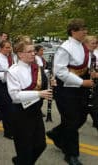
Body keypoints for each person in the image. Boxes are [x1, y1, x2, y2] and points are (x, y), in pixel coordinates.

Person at [46, 18, 93, 165]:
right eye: (82, 29)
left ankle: (56, 134)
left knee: (81, 118)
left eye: (86, 29)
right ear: (73, 31)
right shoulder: (65, 48)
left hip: (81, 90)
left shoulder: (83, 47)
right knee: (71, 121)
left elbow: (84, 67)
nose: (85, 32)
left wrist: (89, 76)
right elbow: (60, 72)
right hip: (66, 91)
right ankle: (71, 154)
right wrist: (81, 82)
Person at [6, 36, 51, 164]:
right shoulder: (13, 71)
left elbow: (42, 85)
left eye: (34, 51)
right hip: (20, 114)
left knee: (41, 145)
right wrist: (39, 94)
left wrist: (50, 83)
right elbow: (15, 96)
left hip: (35, 112)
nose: (33, 54)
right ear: (20, 54)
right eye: (29, 51)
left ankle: (20, 161)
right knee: (24, 148)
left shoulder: (37, 68)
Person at [83, 35, 98, 129]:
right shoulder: (85, 55)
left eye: (96, 43)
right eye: (93, 43)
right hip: (84, 84)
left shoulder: (93, 55)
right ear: (86, 44)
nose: (95, 45)